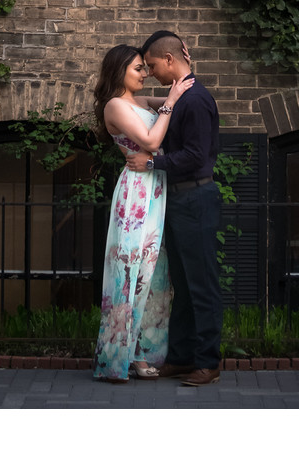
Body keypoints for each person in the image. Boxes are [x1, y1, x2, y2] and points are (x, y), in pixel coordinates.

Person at [91, 43, 194, 383]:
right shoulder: (115, 106)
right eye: (139, 68)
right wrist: (169, 103)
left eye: (146, 68)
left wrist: (182, 72)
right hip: (136, 194)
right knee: (130, 272)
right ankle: (121, 356)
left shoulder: (136, 102)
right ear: (119, 70)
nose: (146, 75)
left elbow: (171, 100)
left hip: (156, 189)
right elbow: (151, 141)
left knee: (153, 275)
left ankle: (143, 351)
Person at [126, 30, 222, 386]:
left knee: (202, 285)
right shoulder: (181, 95)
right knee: (183, 285)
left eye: (152, 64)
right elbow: (161, 106)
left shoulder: (195, 100)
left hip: (195, 198)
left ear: (170, 59)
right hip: (181, 199)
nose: (150, 71)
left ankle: (208, 363)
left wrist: (151, 164)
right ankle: (182, 359)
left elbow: (196, 156)